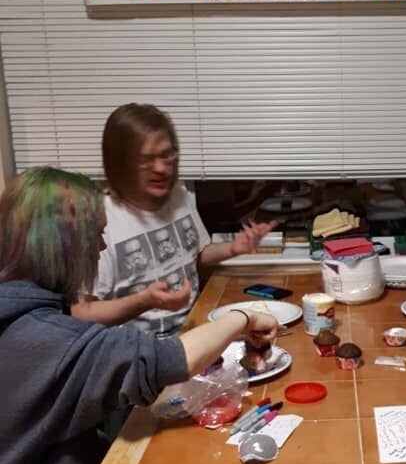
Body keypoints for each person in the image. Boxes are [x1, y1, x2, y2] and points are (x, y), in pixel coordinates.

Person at [0, 166, 278, 464]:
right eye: (95, 233)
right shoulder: (40, 339)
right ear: (65, 245)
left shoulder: (20, 310)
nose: (102, 245)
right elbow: (172, 360)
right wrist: (240, 318)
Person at [72, 103, 275, 335]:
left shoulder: (179, 195)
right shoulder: (101, 222)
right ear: (120, 163)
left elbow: (195, 254)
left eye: (167, 155)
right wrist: (143, 301)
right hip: (141, 353)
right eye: (146, 159)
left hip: (196, 327)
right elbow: (80, 313)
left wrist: (234, 248)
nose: (161, 168)